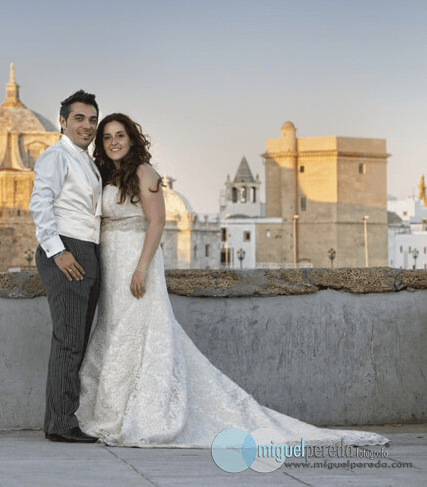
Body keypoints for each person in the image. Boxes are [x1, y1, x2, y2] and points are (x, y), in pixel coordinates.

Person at [76, 113, 387, 448]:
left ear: (132, 139)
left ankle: (141, 414)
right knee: (113, 331)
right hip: (110, 263)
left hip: (136, 264)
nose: (113, 142)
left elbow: (157, 222)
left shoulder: (144, 173)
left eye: (120, 135)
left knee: (136, 333)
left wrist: (141, 268)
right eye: (107, 137)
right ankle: (112, 411)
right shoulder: (105, 174)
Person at [29, 90, 102, 444]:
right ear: (62, 120)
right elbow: (40, 203)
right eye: (79, 118)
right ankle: (60, 423)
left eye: (91, 119)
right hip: (67, 249)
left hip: (85, 249)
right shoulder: (55, 155)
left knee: (77, 339)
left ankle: (62, 418)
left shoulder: (86, 160)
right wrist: (58, 251)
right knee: (69, 340)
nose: (86, 125)